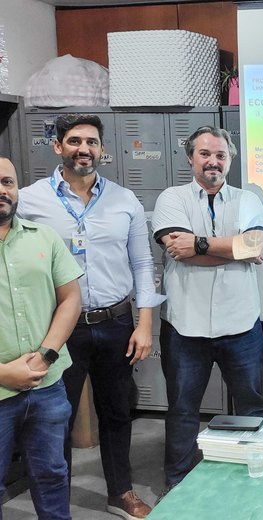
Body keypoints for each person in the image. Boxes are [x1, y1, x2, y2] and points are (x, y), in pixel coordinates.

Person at [17, 113, 164, 519]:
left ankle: (121, 492)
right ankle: (55, 499)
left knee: (117, 412)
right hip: (59, 327)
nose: (84, 149)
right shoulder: (29, 200)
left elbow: (142, 265)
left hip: (115, 322)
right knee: (55, 417)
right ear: (58, 146)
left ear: (102, 149)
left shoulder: (124, 200)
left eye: (92, 142)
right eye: (75, 141)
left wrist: (145, 323)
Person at [151, 126, 263, 498]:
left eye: (220, 155)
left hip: (240, 325)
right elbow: (177, 250)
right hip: (184, 327)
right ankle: (178, 483)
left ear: (230, 160)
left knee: (250, 406)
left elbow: (254, 245)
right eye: (205, 154)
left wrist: (200, 245)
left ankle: (251, 475)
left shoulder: (247, 199)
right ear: (191, 159)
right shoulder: (172, 198)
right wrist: (233, 250)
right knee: (183, 409)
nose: (213, 161)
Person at [0, 157, 83, 519]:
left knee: (52, 475)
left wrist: (45, 356)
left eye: (7, 182)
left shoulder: (44, 237)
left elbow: (70, 299)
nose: (2, 191)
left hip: (47, 386)